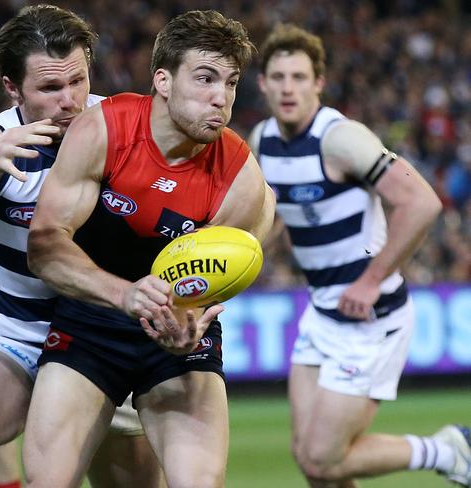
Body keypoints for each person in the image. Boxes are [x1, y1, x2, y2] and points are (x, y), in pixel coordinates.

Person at [0, 5, 163, 488]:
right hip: (14, 339)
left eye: (78, 81)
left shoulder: (128, 127)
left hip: (107, 339)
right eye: (49, 88)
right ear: (12, 88)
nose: (69, 101)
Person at [25, 9, 275, 488]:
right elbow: (44, 245)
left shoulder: (242, 180)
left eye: (230, 82)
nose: (220, 98)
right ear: (163, 79)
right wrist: (124, 295)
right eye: (204, 79)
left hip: (176, 336)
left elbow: (214, 285)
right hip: (92, 322)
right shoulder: (104, 129)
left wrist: (189, 322)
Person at [249, 23, 471, 488]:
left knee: (323, 459)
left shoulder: (340, 138)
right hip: (322, 312)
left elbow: (422, 202)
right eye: (279, 77)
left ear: (319, 83)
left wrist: (371, 280)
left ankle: (447, 450)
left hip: (371, 316)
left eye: (299, 77)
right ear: (264, 83)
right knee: (312, 463)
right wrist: (240, 259)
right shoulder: (263, 140)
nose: (288, 88)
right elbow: (281, 216)